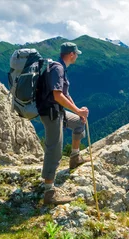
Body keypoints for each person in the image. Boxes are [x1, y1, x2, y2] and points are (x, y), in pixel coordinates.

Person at [36, 42, 90, 205]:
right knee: (54, 150)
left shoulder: (60, 67)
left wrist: (77, 112)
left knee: (79, 124)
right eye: (76, 54)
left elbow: (65, 93)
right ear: (72, 54)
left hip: (58, 111)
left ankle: (74, 157)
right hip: (51, 113)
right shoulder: (57, 69)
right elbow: (58, 95)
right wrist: (77, 110)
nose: (77, 57)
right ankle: (49, 192)